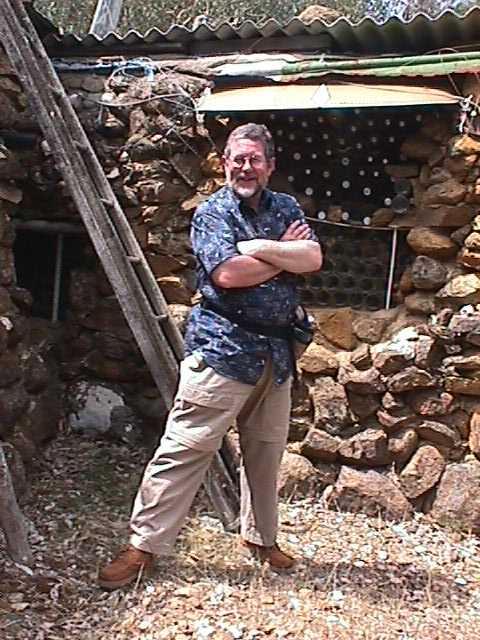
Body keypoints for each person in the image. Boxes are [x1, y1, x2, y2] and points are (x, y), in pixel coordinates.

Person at [98, 122, 323, 589]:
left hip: (276, 353)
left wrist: (260, 249)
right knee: (184, 449)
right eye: (237, 159)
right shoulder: (212, 213)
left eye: (254, 159)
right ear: (224, 163)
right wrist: (284, 254)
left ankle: (260, 538)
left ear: (270, 165)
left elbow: (313, 260)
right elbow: (227, 275)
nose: (245, 167)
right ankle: (143, 547)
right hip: (223, 349)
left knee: (265, 452)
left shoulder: (286, 207)